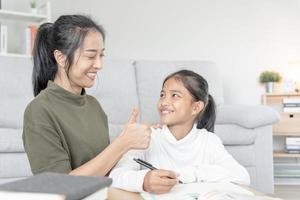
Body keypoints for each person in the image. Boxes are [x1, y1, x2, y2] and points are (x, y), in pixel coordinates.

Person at [22, 14, 151, 176]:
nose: (99, 65)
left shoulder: (94, 105)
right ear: (61, 58)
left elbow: (105, 169)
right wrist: (121, 144)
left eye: (101, 55)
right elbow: (58, 186)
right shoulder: (39, 111)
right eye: (90, 56)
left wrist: (143, 173)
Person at [109, 70, 250, 194]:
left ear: (196, 107)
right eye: (162, 95)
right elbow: (115, 176)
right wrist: (144, 180)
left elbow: (242, 175)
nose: (164, 102)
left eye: (175, 95)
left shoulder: (209, 141)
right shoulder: (147, 137)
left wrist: (191, 174)